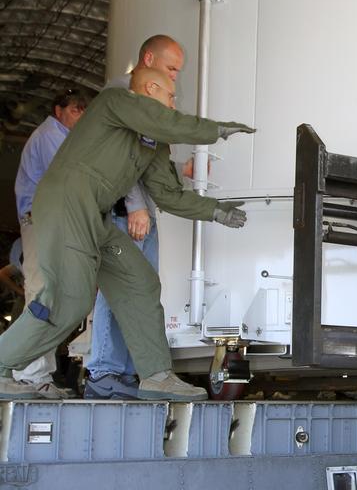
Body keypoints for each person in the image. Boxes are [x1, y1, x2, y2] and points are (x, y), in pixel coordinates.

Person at [0, 68, 254, 402]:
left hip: (94, 215)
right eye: (170, 95)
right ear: (150, 88)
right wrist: (215, 130)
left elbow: (167, 194)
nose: (173, 103)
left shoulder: (151, 143)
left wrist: (216, 211)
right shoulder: (115, 102)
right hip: (65, 204)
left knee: (140, 282)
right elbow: (168, 122)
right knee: (68, 300)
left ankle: (156, 375)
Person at [86, 34, 186, 399]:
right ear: (148, 59)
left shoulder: (148, 96)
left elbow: (148, 158)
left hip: (140, 211)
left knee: (140, 293)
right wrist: (135, 205)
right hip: (123, 212)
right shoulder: (123, 94)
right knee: (118, 290)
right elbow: (122, 156)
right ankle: (104, 372)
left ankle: (126, 373)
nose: (175, 78)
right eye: (171, 68)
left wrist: (179, 172)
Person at [13, 88, 93, 397]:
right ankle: (27, 371)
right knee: (41, 293)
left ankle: (37, 373)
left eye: (84, 111)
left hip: (52, 223)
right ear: (58, 110)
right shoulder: (50, 136)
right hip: (41, 221)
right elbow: (70, 180)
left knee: (49, 295)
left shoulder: (61, 138)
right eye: (75, 110)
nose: (81, 116)